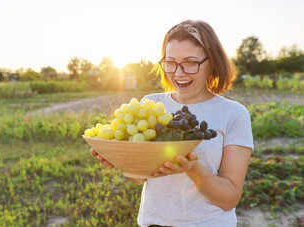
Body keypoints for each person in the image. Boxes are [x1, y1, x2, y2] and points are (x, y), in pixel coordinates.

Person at [91, 19, 253, 227]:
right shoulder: (151, 104)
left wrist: (192, 168)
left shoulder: (234, 114)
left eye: (190, 62)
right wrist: (123, 160)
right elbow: (141, 179)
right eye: (171, 62)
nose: (178, 73)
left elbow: (229, 199)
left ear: (211, 61)